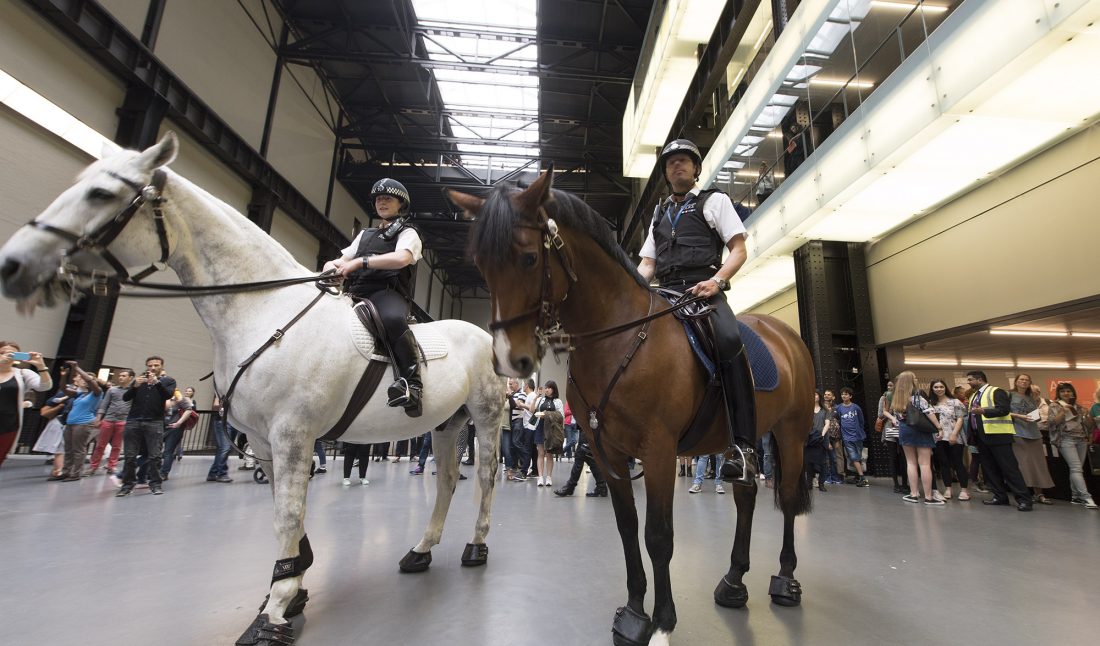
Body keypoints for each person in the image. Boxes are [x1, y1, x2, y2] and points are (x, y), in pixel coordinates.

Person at [636, 138, 756, 484]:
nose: (677, 166)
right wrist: (633, 287)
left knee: (730, 340)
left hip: (703, 291)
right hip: (665, 291)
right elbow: (647, 264)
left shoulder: (714, 201)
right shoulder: (658, 213)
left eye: (685, 160)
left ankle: (744, 447)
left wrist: (717, 281)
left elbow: (738, 249)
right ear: (665, 172)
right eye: (671, 162)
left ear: (696, 168)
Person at [324, 178, 424, 417]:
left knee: (391, 319)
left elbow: (402, 258)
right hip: (355, 291)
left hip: (386, 292)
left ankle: (413, 385)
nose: (382, 202)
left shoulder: (408, 232)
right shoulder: (364, 235)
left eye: (387, 198)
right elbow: (342, 259)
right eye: (378, 199)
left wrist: (362, 261)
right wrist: (329, 267)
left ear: (401, 204)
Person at [965, 370, 1032, 511]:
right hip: (981, 438)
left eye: (970, 380)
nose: (968, 382)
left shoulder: (996, 391)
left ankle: (1023, 499)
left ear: (979, 379)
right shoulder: (974, 396)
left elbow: (1004, 410)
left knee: (1009, 469)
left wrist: (984, 411)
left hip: (998, 436)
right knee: (990, 469)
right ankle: (999, 496)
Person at [117, 356, 176, 497]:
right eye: (150, 365)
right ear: (146, 366)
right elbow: (126, 397)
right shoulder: (138, 380)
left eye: (156, 365)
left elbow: (168, 396)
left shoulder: (168, 381)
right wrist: (134, 386)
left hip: (154, 422)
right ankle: (127, 485)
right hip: (134, 420)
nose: (153, 368)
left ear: (161, 366)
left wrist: (157, 383)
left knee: (155, 456)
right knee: (130, 456)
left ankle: (155, 484)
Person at [892, 371, 943, 505]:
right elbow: (929, 412)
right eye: (914, 378)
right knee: (925, 463)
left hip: (904, 429)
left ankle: (914, 494)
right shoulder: (917, 397)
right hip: (920, 430)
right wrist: (939, 427)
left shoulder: (896, 399)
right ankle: (928, 497)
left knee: (910, 462)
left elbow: (896, 418)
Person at [0, 341, 53, 470]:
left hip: (8, 425)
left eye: (11, 354)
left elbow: (45, 386)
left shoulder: (22, 373)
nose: (6, 356)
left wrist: (41, 366)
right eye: (2, 353)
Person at [1006, 375, 1054, 504]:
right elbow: (1003, 412)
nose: (1024, 382)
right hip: (1017, 433)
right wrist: (1019, 416)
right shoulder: (1008, 395)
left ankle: (1039, 494)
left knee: (1038, 465)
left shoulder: (1031, 397)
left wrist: (1036, 416)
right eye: (1021, 379)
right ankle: (1024, 494)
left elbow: (1036, 416)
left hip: (1034, 434)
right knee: (1023, 465)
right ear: (1016, 382)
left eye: (1026, 380)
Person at [1048, 383, 1097, 509]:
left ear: (1073, 393)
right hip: (1066, 439)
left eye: (1068, 391)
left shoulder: (1079, 407)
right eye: (1063, 391)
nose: (1066, 393)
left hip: (1081, 439)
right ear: (1058, 393)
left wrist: (1087, 417)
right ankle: (1086, 497)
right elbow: (1052, 423)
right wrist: (1063, 412)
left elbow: (1089, 425)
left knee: (1077, 468)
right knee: (1076, 468)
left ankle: (1076, 496)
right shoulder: (1054, 405)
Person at [58, 362, 103, 481]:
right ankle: (66, 471)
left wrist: (77, 368)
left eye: (85, 379)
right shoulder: (80, 394)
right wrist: (63, 376)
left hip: (83, 424)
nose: (83, 380)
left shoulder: (97, 393)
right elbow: (63, 389)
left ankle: (76, 474)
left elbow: (90, 381)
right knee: (68, 449)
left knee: (78, 450)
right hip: (71, 423)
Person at [928, 379, 970, 501]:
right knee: (944, 463)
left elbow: (960, 419)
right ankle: (948, 488)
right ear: (932, 389)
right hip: (938, 438)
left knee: (958, 463)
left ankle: (964, 490)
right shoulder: (931, 403)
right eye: (936, 387)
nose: (939, 389)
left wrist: (954, 434)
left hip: (954, 437)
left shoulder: (955, 402)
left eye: (941, 386)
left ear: (945, 387)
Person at [89, 369, 133, 476]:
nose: (121, 377)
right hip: (108, 419)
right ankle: (93, 466)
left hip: (123, 421)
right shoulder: (112, 390)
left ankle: (111, 466)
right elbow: (104, 404)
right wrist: (99, 418)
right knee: (100, 445)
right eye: (120, 375)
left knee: (117, 446)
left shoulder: (133, 391)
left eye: (124, 376)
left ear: (130, 378)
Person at [528, 380, 564, 488]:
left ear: (553, 389)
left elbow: (561, 416)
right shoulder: (541, 399)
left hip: (551, 429)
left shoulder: (558, 401)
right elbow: (531, 410)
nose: (546, 389)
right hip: (540, 428)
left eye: (549, 387)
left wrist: (546, 414)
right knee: (540, 453)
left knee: (549, 454)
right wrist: (535, 398)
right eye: (546, 387)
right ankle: (540, 477)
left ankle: (548, 477)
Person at [552, 429, 608, 498]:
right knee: (589, 458)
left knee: (581, 455)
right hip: (588, 431)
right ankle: (601, 486)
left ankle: (570, 487)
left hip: (589, 430)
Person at [876, 381, 907, 493]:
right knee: (900, 457)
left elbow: (880, 414)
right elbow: (880, 414)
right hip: (897, 427)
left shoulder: (885, 398)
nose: (890, 387)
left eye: (892, 385)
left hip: (893, 427)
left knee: (897, 457)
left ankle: (899, 484)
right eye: (888, 385)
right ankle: (901, 484)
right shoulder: (889, 398)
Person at [835, 387, 869, 486]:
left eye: (846, 394)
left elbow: (861, 421)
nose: (844, 396)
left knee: (858, 457)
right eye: (842, 394)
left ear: (850, 396)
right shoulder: (839, 408)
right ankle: (862, 478)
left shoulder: (856, 407)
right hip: (846, 437)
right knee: (854, 457)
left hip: (857, 436)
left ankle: (859, 476)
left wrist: (860, 431)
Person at [805, 391, 832, 492]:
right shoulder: (807, 410)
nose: (814, 396)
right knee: (808, 462)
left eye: (816, 394)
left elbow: (827, 424)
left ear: (819, 397)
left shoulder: (825, 410)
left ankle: (821, 483)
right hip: (810, 439)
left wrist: (822, 435)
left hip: (821, 439)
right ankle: (809, 483)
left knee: (823, 462)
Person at [205, 395, 233, 483]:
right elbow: (216, 406)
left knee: (224, 448)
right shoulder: (220, 393)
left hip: (232, 422)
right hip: (222, 421)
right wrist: (223, 403)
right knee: (225, 448)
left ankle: (213, 473)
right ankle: (222, 473)